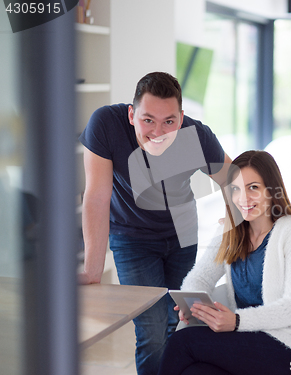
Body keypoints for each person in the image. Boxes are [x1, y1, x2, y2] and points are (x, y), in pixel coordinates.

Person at [78, 72, 231, 375]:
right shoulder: (106, 125)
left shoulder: (196, 136)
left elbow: (234, 178)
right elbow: (96, 196)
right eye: (148, 120)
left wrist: (234, 224)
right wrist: (93, 269)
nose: (158, 132)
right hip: (132, 238)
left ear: (181, 118)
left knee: (176, 321)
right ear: (132, 114)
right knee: (151, 329)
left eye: (169, 122)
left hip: (182, 236)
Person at [158, 150, 291, 375]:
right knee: (197, 371)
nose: (243, 198)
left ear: (271, 191)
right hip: (251, 344)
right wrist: (192, 304)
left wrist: (237, 321)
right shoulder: (229, 230)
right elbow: (200, 276)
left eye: (253, 187)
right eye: (236, 189)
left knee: (183, 342)